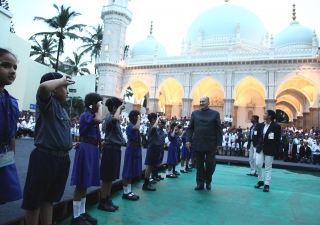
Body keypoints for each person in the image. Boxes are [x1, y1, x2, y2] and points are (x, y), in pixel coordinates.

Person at [22, 72, 74, 225]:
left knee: (49, 198)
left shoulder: (61, 107)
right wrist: (62, 79)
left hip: (61, 158)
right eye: (64, 87)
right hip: (45, 157)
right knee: (34, 199)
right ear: (55, 88)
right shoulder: (47, 103)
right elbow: (44, 87)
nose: (67, 91)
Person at [70, 93, 103, 225]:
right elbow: (99, 119)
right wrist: (100, 107)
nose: (100, 105)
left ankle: (81, 213)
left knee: (85, 183)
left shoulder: (90, 115)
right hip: (86, 148)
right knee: (80, 183)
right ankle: (76, 216)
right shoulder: (87, 115)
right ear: (94, 103)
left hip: (92, 148)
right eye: (99, 102)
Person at [0, 48, 22, 205]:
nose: (12, 71)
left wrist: (11, 155)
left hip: (4, 155)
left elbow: (12, 133)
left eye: (15, 67)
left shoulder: (12, 101)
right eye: (6, 65)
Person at [98, 97, 128, 213]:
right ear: (115, 108)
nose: (121, 109)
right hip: (110, 149)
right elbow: (115, 118)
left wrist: (119, 108)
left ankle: (107, 198)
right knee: (106, 178)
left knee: (110, 177)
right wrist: (119, 109)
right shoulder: (110, 117)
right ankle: (102, 201)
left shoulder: (114, 116)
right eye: (119, 107)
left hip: (115, 149)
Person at [186, 96, 222, 190]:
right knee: (199, 165)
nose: (201, 103)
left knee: (211, 163)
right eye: (200, 101)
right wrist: (188, 140)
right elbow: (190, 128)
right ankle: (200, 183)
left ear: (208, 102)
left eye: (203, 101)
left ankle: (208, 180)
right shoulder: (195, 113)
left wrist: (219, 143)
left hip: (211, 143)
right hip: (198, 143)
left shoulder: (215, 114)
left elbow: (219, 129)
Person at [254, 110, 281, 193]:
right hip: (260, 147)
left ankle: (267, 184)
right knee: (258, 164)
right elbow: (258, 136)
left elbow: (277, 139)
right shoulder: (261, 125)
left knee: (268, 167)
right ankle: (261, 180)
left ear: (269, 116)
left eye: (265, 114)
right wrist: (257, 144)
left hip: (270, 148)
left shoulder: (276, 126)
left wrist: (276, 150)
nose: (264, 114)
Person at [122, 110, 143, 195]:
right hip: (131, 148)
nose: (139, 118)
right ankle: (125, 191)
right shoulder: (130, 125)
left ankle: (129, 190)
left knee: (131, 170)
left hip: (136, 148)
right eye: (138, 116)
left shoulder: (133, 125)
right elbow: (136, 128)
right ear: (134, 117)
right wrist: (138, 120)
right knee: (127, 169)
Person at [143, 113, 162, 191]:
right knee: (149, 166)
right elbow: (154, 127)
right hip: (152, 148)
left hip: (156, 148)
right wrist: (157, 119)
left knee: (151, 166)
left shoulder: (155, 127)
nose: (159, 120)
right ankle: (146, 184)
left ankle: (148, 182)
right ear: (154, 120)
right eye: (157, 119)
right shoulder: (151, 126)